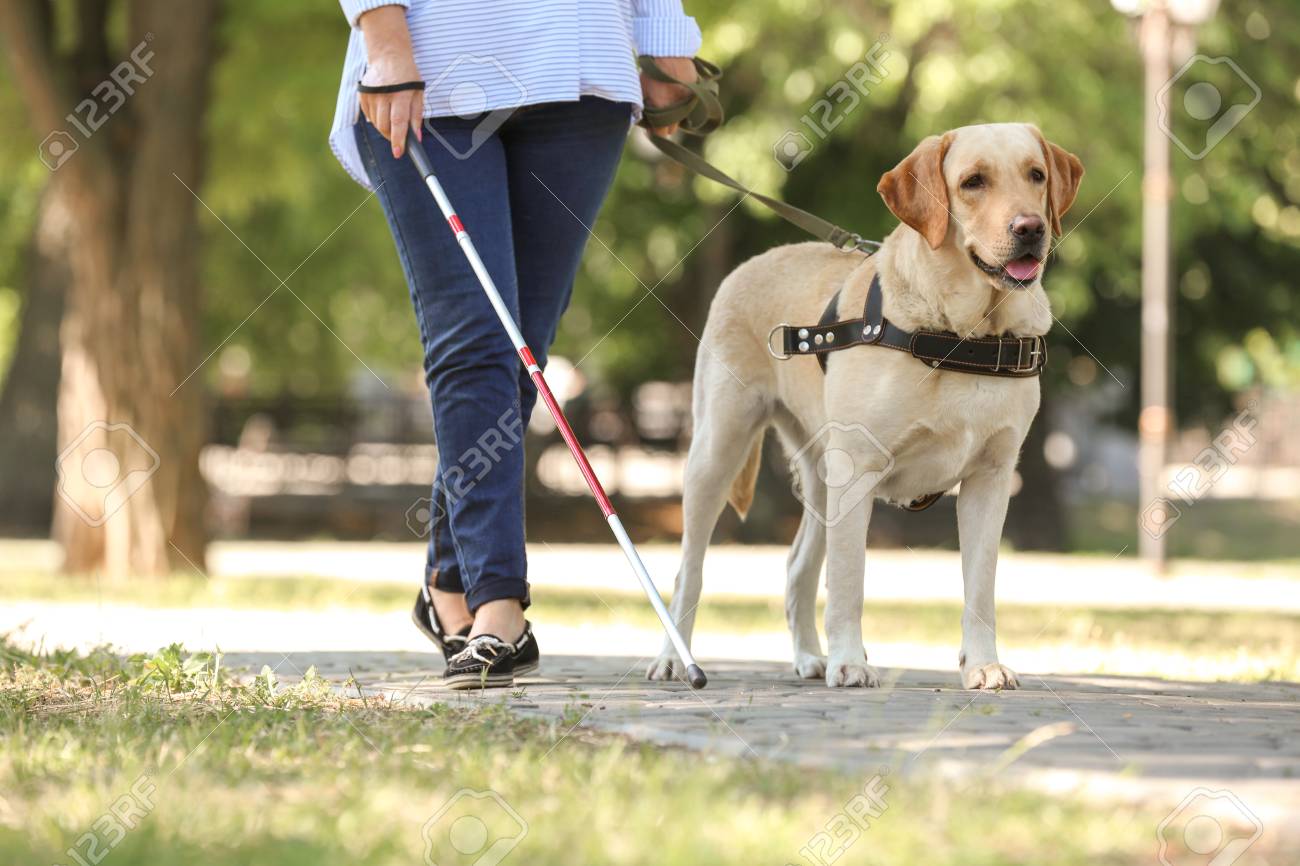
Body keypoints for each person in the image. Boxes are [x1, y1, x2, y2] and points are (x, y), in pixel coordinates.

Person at [330, 0, 702, 688]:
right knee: (476, 340)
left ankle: (449, 580)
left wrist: (667, 41)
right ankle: (499, 609)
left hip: (582, 69)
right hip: (433, 66)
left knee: (520, 353)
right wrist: (384, 40)